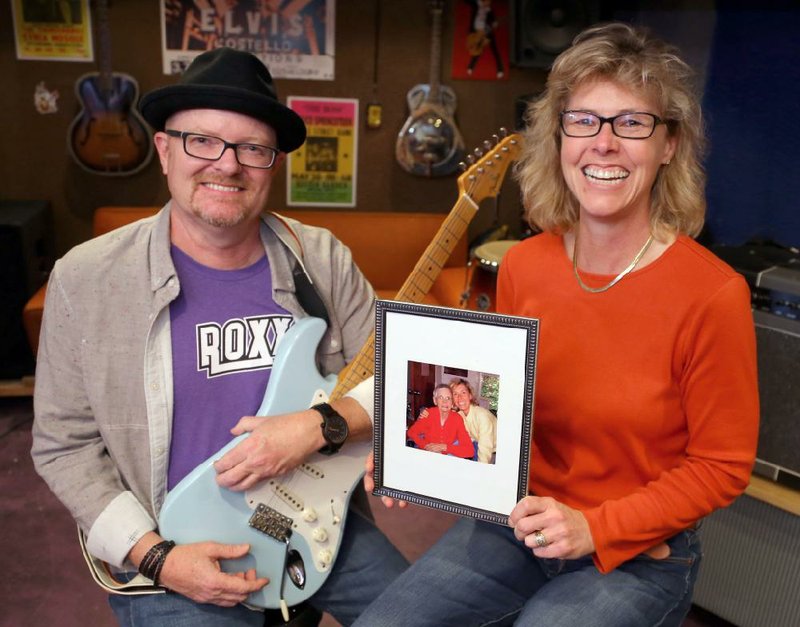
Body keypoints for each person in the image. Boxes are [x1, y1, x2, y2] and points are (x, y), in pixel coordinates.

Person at [358, 22, 759, 626]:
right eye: (584, 121)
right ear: (559, 138)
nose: (604, 142)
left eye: (632, 123)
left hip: (638, 554)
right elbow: (500, 404)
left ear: (668, 144)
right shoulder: (525, 265)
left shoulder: (712, 294)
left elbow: (722, 466)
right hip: (518, 525)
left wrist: (596, 527)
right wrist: (417, 456)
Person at [31, 47, 408, 626]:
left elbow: (394, 374)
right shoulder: (86, 278)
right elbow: (64, 445)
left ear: (272, 164)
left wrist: (319, 426)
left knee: (432, 612)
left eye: (252, 148)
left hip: (310, 516)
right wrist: (156, 557)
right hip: (169, 544)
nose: (227, 165)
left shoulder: (322, 259)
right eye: (202, 141)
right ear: (164, 150)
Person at [406, 384, 474, 459]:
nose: (445, 401)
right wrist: (425, 446)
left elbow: (470, 451)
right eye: (440, 397)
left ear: (452, 403)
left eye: (448, 398)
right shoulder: (428, 414)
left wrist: (444, 447)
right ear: (435, 400)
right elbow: (411, 432)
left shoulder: (457, 419)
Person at [450, 378, 496, 464]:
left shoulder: (482, 416)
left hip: (495, 450)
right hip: (476, 442)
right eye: (455, 394)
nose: (459, 397)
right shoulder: (460, 415)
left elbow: (485, 449)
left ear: (470, 395)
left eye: (463, 392)